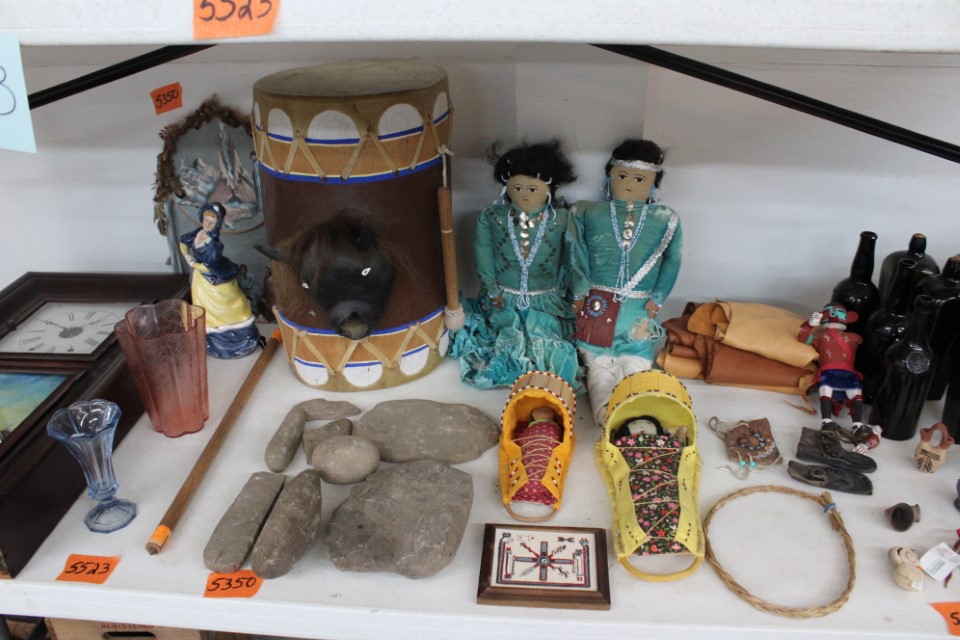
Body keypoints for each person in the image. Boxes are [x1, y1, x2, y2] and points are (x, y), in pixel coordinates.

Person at [450, 140, 581, 390]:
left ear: (550, 188)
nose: (524, 194)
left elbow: (574, 258)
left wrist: (575, 291)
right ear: (506, 187)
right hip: (502, 299)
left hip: (547, 302)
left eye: (532, 188)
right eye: (517, 187)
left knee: (549, 345)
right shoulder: (492, 217)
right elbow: (483, 253)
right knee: (499, 340)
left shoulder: (563, 219)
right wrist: (492, 289)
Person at [570, 139, 682, 425]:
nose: (629, 183)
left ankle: (637, 416)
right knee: (598, 366)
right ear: (609, 177)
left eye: (640, 179)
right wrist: (580, 291)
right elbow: (576, 251)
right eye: (622, 175)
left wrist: (658, 297)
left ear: (654, 183)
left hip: (638, 311)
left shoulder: (666, 219)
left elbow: (672, 260)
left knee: (638, 363)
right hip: (596, 307)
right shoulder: (586, 211)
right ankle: (607, 417)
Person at [179, 202, 260, 358]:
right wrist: (188, 256)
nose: (207, 224)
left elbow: (208, 266)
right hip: (201, 281)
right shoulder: (197, 233)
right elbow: (183, 243)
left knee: (230, 302)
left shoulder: (215, 245)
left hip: (215, 276)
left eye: (212, 222)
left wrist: (193, 264)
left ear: (217, 224)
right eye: (206, 220)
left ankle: (238, 332)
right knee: (205, 307)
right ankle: (211, 335)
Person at [798, 303, 880, 450]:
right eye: (831, 314)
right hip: (828, 371)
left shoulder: (854, 337)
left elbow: (873, 347)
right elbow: (803, 338)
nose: (834, 317)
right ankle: (827, 422)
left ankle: (857, 425)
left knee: (855, 393)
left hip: (849, 373)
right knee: (826, 391)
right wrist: (809, 325)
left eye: (839, 314)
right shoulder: (820, 337)